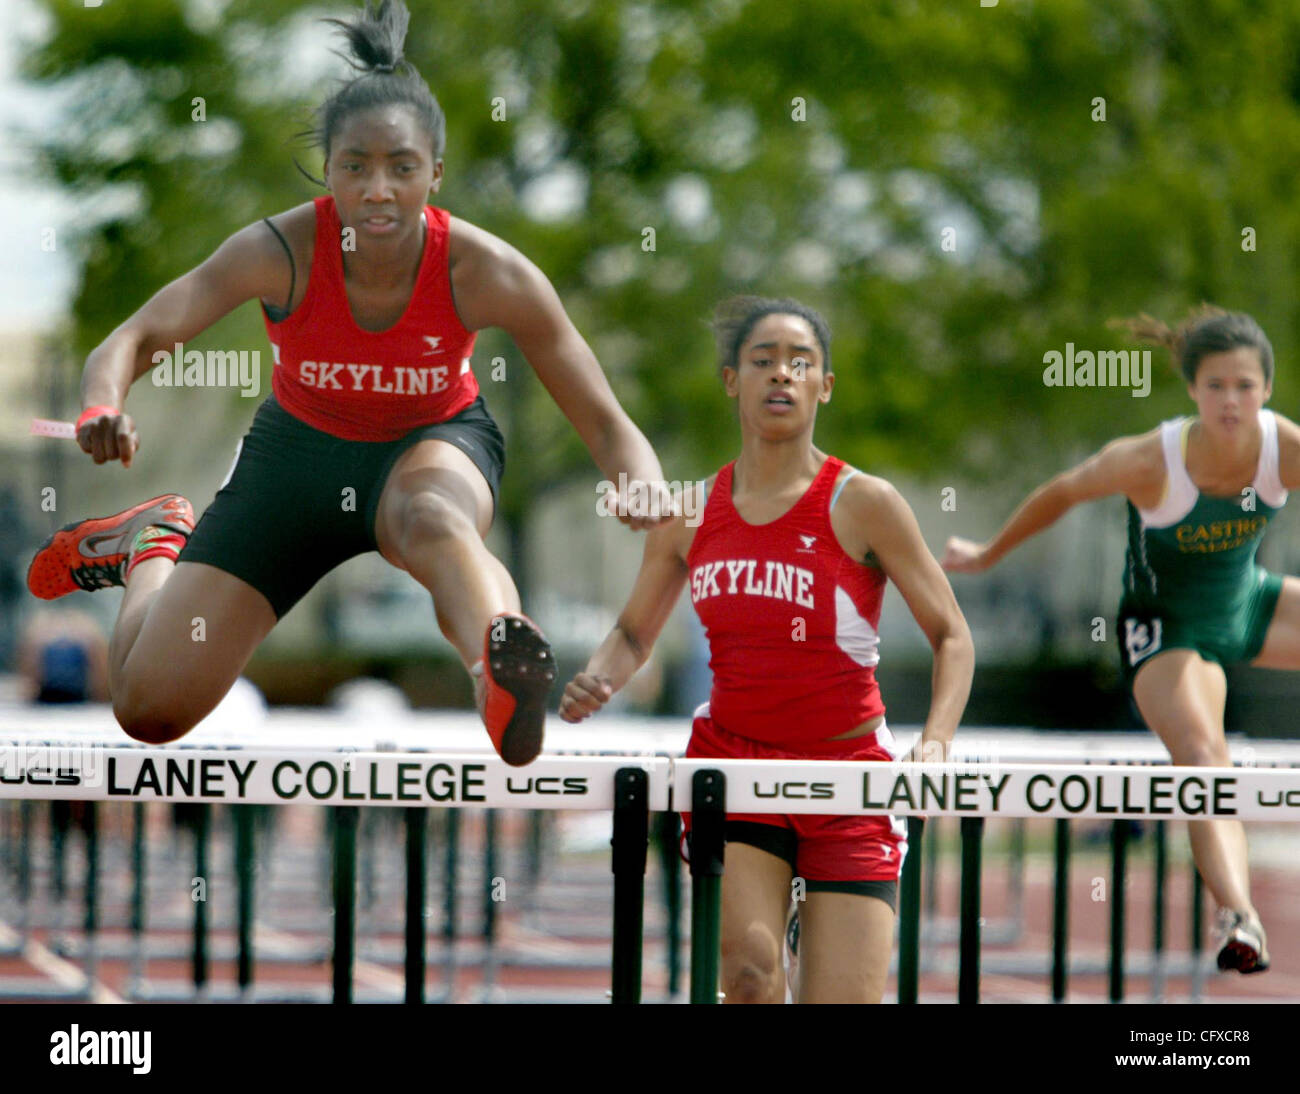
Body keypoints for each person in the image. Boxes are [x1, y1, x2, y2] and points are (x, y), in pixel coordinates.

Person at [26, 0, 669, 766]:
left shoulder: (486, 270)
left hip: (430, 445)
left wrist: (642, 483)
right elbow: (133, 338)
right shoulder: (279, 251)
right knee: (148, 710)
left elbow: (603, 421)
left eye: (402, 168)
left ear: (435, 170)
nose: (378, 191)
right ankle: (151, 545)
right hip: (294, 464)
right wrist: (103, 404)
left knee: (432, 515)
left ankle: (495, 671)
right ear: (326, 171)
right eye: (355, 167)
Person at [561, 296, 974, 1003]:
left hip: (849, 777)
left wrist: (935, 743)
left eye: (800, 362)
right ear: (732, 380)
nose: (781, 375)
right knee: (750, 981)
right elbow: (633, 634)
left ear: (824, 385)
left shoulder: (864, 502)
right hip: (736, 764)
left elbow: (952, 637)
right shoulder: (689, 512)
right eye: (763, 361)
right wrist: (598, 678)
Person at [943, 305, 1294, 974]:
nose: (1230, 402)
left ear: (1266, 391)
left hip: (1247, 601)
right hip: (1166, 629)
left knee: (1208, 736)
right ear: (1193, 390)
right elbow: (1062, 492)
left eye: (1245, 387)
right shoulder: (1149, 460)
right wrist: (988, 552)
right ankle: (1239, 915)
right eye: (1216, 386)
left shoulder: (1287, 449)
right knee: (1200, 748)